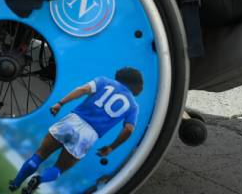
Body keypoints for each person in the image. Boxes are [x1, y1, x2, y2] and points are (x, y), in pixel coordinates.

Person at [9, 68, 143, 192]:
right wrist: (112, 147)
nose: (141, 88)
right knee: (59, 168)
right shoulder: (133, 106)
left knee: (39, 155)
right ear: (134, 83)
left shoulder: (104, 81)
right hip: (89, 134)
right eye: (140, 85)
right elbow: (129, 129)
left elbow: (83, 89)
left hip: (73, 120)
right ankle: (39, 179)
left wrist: (60, 103)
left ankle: (15, 183)